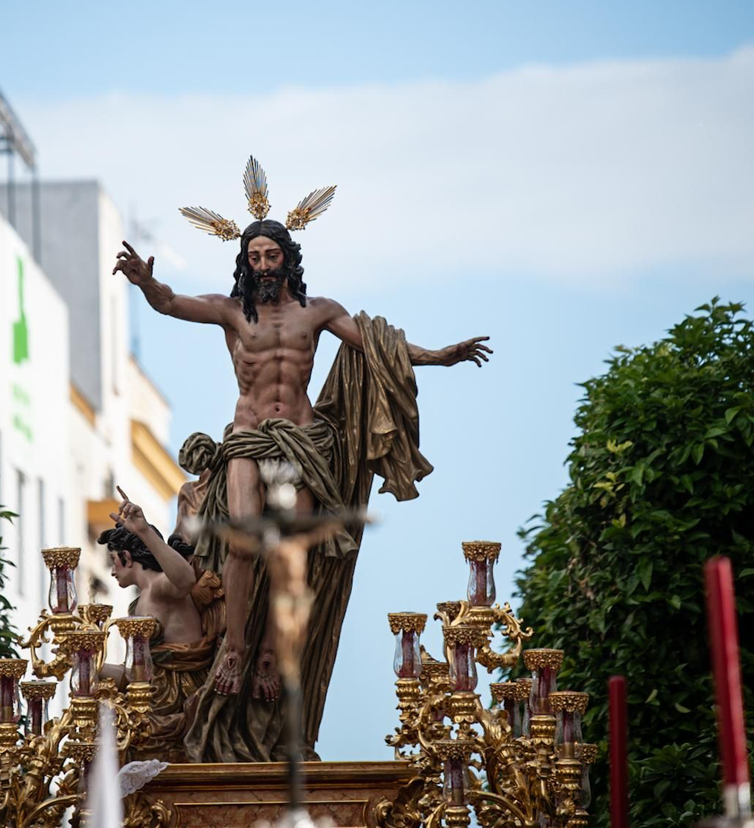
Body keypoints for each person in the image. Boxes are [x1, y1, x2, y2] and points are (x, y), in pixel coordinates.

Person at [112, 157, 492, 761]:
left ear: (288, 258)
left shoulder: (318, 313)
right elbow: (171, 303)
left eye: (271, 255)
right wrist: (145, 284)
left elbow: (380, 347)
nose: (263, 265)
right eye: (254, 257)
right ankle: (235, 648)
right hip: (247, 437)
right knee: (241, 541)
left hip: (305, 442)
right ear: (245, 262)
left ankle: (269, 652)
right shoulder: (233, 311)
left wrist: (440, 356)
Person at [99, 490, 222, 762]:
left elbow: (186, 579)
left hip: (178, 698)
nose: (111, 572)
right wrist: (89, 664)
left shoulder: (161, 588)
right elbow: (137, 673)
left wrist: (143, 531)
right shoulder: (139, 603)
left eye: (113, 562)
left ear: (127, 558)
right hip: (155, 694)